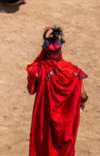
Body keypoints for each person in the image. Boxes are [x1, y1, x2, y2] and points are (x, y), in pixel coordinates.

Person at [27, 27, 88, 155]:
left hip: (46, 123)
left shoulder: (39, 71)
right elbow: (83, 96)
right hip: (66, 124)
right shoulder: (74, 71)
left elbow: (31, 89)